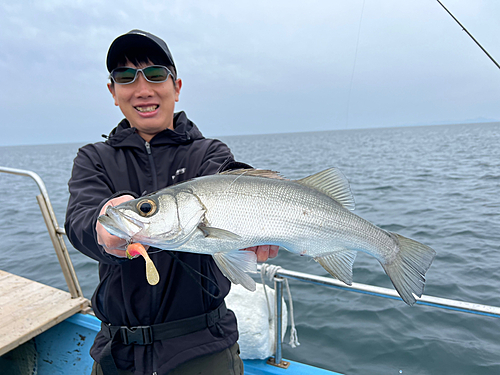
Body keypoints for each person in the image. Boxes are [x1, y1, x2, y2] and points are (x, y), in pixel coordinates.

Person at [65, 29, 279, 375]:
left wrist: (258, 225)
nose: (143, 89)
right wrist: (103, 227)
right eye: (125, 76)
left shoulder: (209, 152)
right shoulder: (94, 158)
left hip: (203, 348)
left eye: (154, 74)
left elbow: (234, 178)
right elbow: (80, 220)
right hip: (117, 353)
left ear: (176, 87)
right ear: (113, 92)